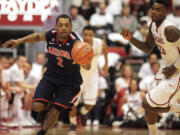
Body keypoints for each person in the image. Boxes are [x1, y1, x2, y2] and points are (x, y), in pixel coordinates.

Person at [1, 14, 90, 135]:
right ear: (56, 27)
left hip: (69, 82)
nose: (63, 28)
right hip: (51, 76)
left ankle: (42, 132)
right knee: (36, 107)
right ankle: (48, 106)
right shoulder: (51, 35)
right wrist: (19, 41)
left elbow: (87, 65)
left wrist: (84, 61)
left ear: (71, 27)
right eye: (60, 25)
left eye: (66, 25)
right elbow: (37, 36)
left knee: (55, 111)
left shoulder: (76, 43)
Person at [121, 0, 180, 135]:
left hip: (177, 71)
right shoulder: (153, 25)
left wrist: (174, 67)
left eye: (158, 9)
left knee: (147, 104)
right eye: (153, 9)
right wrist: (131, 39)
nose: (153, 12)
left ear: (166, 12)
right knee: (149, 107)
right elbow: (147, 48)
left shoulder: (170, 30)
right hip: (165, 68)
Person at [69, 25, 108, 131]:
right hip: (78, 75)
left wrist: (106, 64)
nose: (87, 37)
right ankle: (72, 124)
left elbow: (105, 50)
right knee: (73, 102)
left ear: (93, 35)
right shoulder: (78, 45)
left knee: (91, 104)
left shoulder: (100, 43)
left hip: (93, 75)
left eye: (90, 35)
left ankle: (82, 113)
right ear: (82, 35)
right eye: (85, 35)